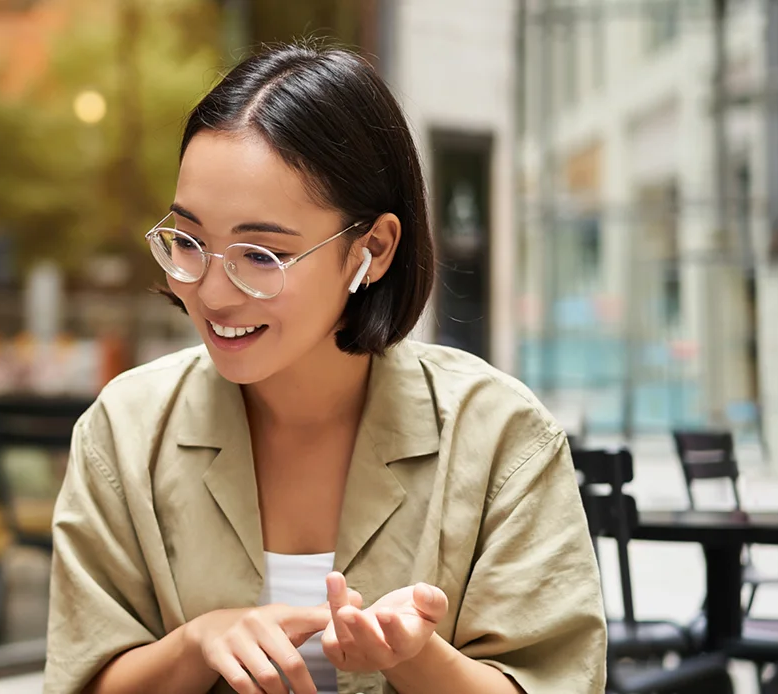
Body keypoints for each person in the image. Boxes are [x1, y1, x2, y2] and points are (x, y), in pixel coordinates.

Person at [44, 43, 605, 694]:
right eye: (190, 241)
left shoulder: (501, 437)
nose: (213, 293)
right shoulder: (125, 431)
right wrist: (197, 644)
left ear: (374, 248)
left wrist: (415, 658)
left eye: (261, 255)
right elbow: (80, 679)